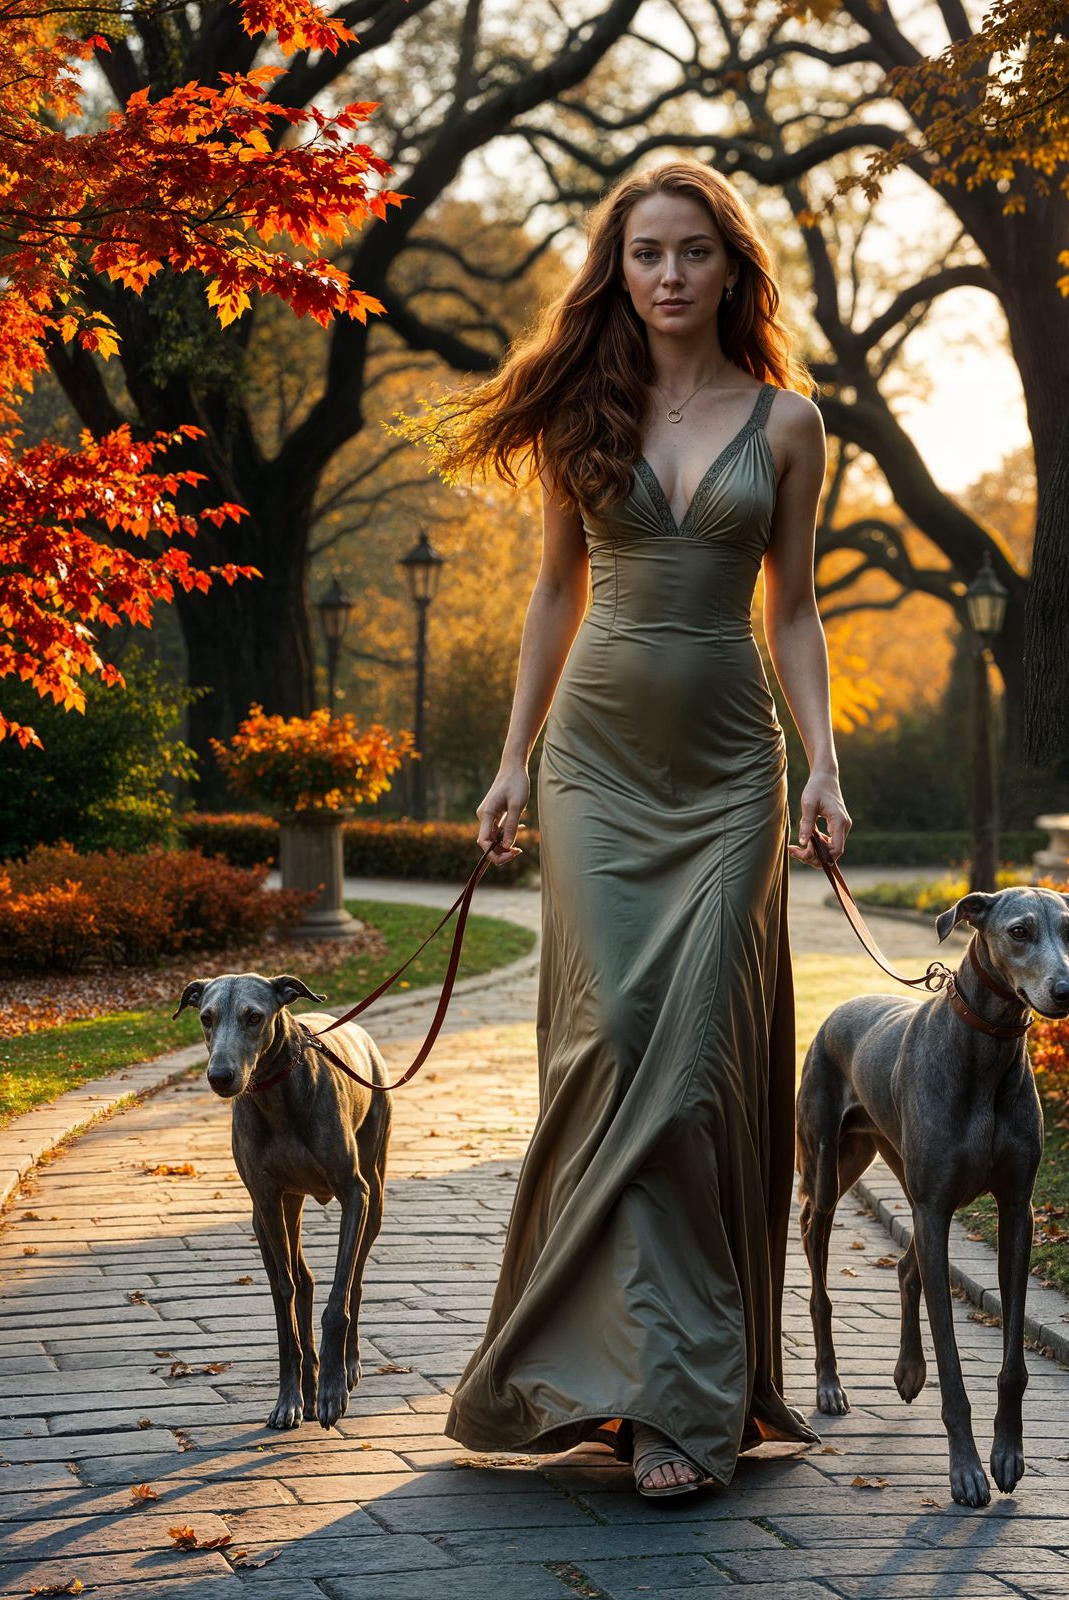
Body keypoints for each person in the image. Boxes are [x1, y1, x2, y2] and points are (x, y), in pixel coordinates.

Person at [421, 158, 852, 1497]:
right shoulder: (580, 416)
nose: (667, 274)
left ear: (734, 270)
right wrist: (510, 761)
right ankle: (614, 1374)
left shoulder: (788, 424)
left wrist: (825, 766)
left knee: (699, 1073)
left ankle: (675, 1400)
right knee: (610, 1047)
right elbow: (553, 597)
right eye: (645, 253)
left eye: (692, 253)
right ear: (619, 269)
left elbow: (792, 611)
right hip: (596, 768)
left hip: (731, 771)